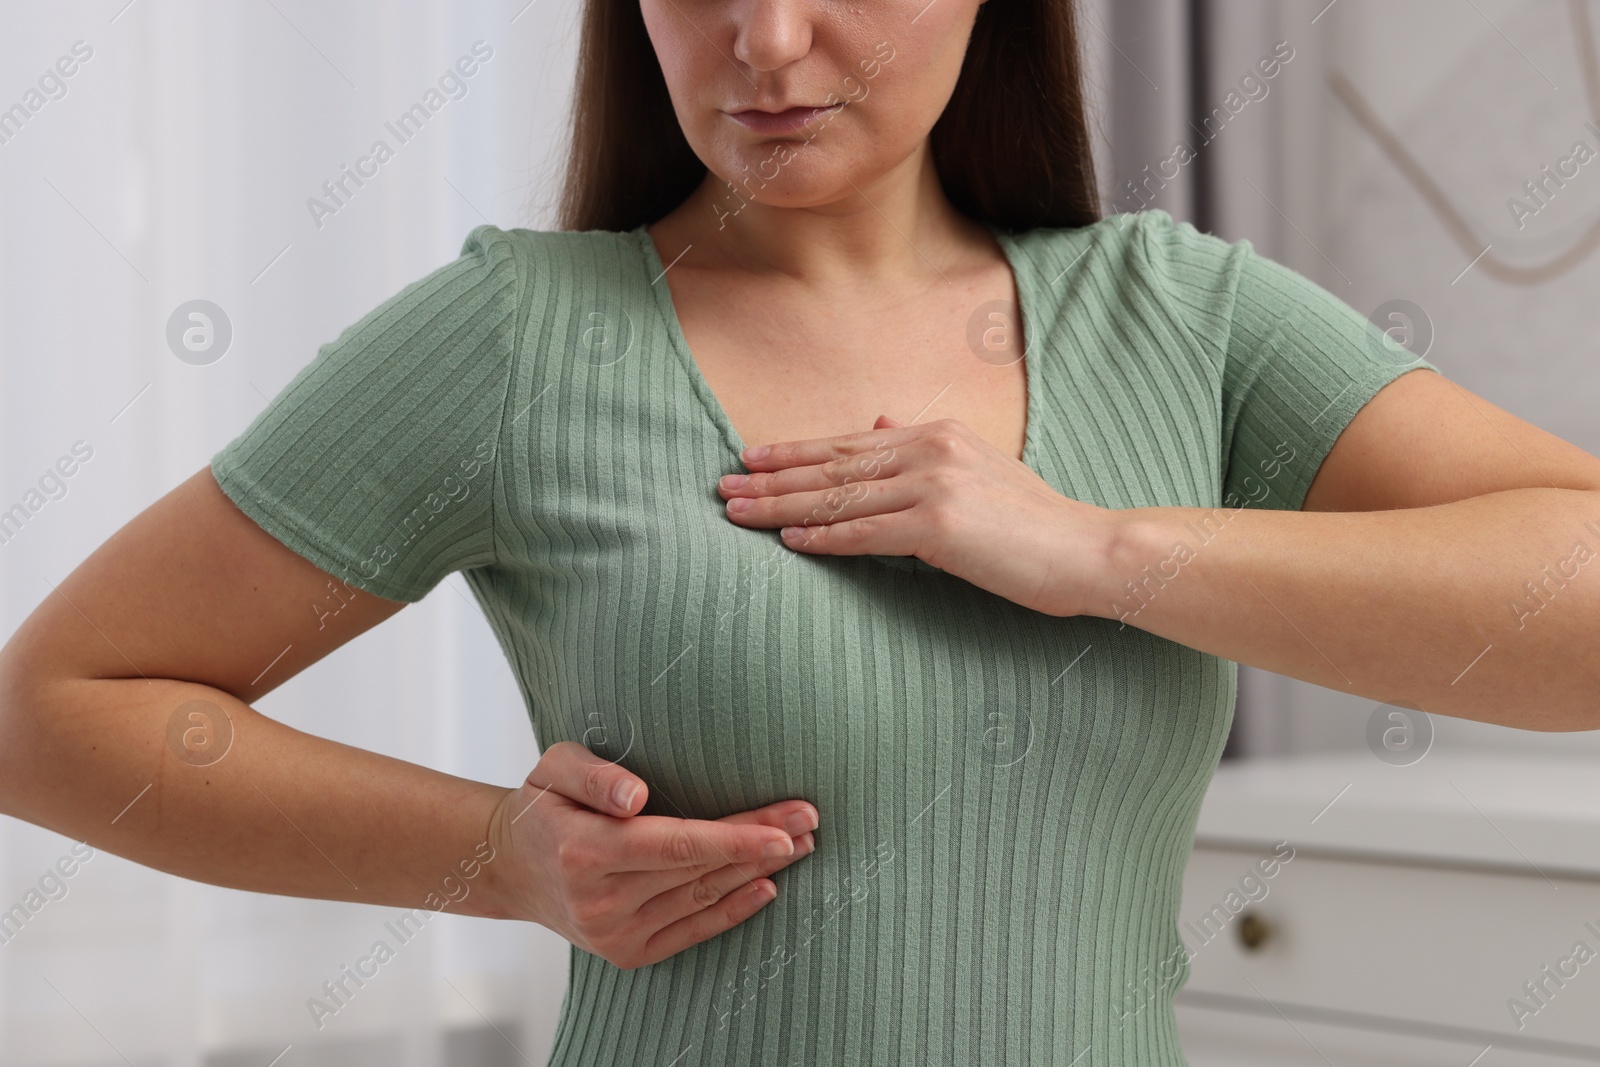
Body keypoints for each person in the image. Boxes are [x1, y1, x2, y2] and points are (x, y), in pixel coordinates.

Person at [4, 0, 1600, 1064]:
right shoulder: (515, 340)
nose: (764, 41)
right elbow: (49, 718)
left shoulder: (1185, 318)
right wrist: (504, 863)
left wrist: (1101, 551)